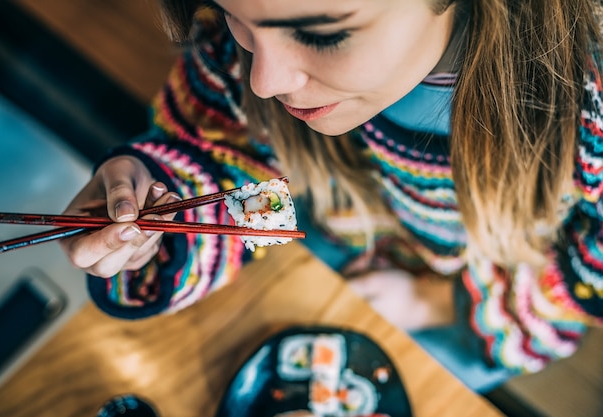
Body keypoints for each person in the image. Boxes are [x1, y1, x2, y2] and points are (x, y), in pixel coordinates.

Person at [59, 0, 603, 393]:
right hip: (322, 245)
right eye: (233, 17)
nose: (265, 81)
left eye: (321, 34)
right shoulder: (255, 54)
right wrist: (166, 221)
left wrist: (441, 303)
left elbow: (587, 277)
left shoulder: (588, 96)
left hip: (483, 314)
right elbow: (255, 188)